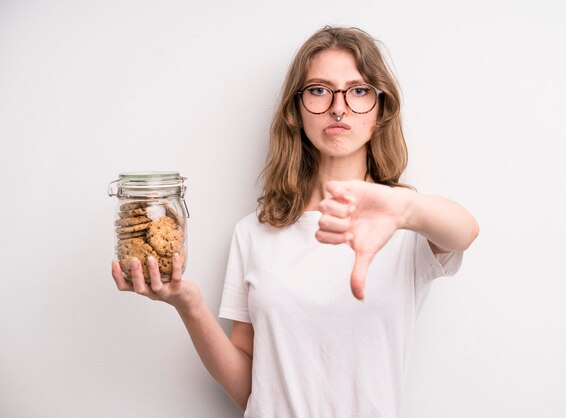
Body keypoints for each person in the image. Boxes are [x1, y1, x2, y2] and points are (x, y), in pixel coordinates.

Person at [112, 26, 479, 418]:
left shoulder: (404, 225)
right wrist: (190, 305)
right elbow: (250, 391)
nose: (339, 108)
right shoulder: (254, 232)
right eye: (320, 90)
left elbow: (466, 231)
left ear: (380, 110)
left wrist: (403, 207)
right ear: (296, 109)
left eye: (358, 91)